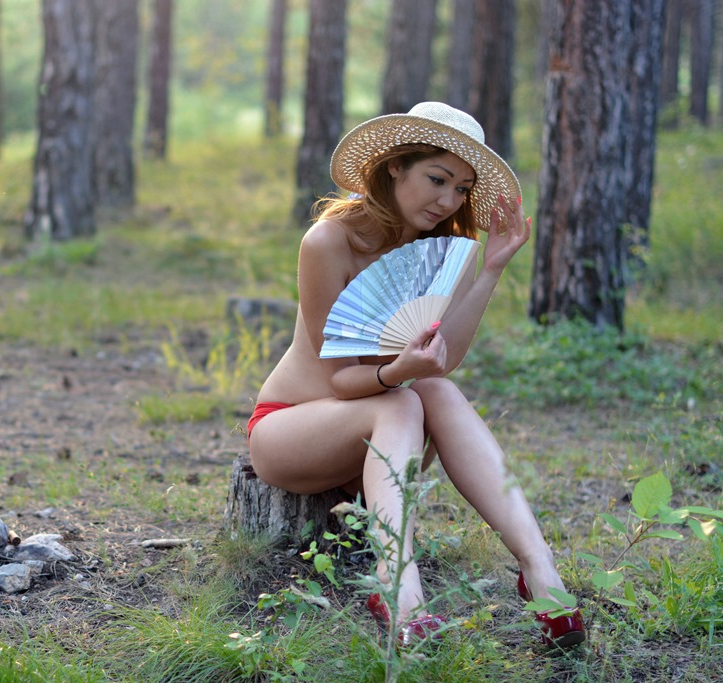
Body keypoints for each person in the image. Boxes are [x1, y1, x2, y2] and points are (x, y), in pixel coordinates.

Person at [246, 102, 585, 649]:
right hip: (292, 429)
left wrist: (492, 267)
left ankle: (539, 567)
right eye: (437, 179)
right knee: (405, 398)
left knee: (436, 390)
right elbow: (341, 381)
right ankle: (401, 591)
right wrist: (400, 371)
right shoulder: (329, 241)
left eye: (462, 189)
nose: (448, 200)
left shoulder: (440, 253)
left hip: (378, 436)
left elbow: (442, 360)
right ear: (395, 167)